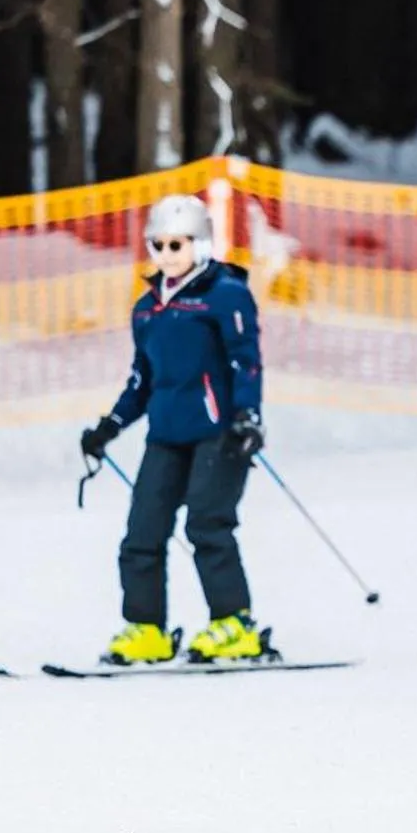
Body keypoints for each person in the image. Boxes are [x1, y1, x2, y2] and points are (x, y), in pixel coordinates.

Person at [78, 193, 267, 665]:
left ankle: (233, 624)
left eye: (177, 245)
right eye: (157, 245)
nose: (167, 255)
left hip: (218, 431)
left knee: (207, 522)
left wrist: (247, 415)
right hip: (166, 433)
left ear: (200, 244)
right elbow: (142, 379)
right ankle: (147, 629)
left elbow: (246, 362)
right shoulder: (148, 309)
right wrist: (110, 426)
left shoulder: (225, 295)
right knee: (142, 532)